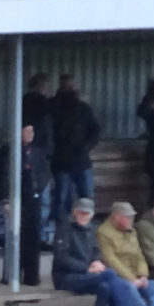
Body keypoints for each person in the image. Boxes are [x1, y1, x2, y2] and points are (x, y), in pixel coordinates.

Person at [51, 199, 147, 306]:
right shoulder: (65, 228)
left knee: (105, 287)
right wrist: (87, 268)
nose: (84, 216)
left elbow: (96, 251)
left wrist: (96, 262)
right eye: (81, 213)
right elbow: (61, 257)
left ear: (92, 214)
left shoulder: (91, 229)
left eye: (87, 213)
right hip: (66, 277)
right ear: (74, 212)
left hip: (89, 276)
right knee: (110, 274)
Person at [49, 75, 101, 218]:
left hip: (80, 159)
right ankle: (63, 231)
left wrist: (86, 146)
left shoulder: (83, 108)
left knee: (86, 198)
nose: (70, 89)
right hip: (62, 160)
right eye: (67, 86)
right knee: (62, 198)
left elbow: (95, 130)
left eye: (72, 86)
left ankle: (85, 229)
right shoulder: (54, 106)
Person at [4, 123, 49, 287]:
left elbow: (45, 172)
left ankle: (32, 276)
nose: (30, 134)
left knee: (33, 238)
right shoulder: (10, 151)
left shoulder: (37, 151)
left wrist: (39, 187)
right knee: (17, 238)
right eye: (26, 131)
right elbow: (4, 174)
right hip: (17, 199)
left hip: (34, 199)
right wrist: (5, 199)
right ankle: (13, 274)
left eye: (32, 131)